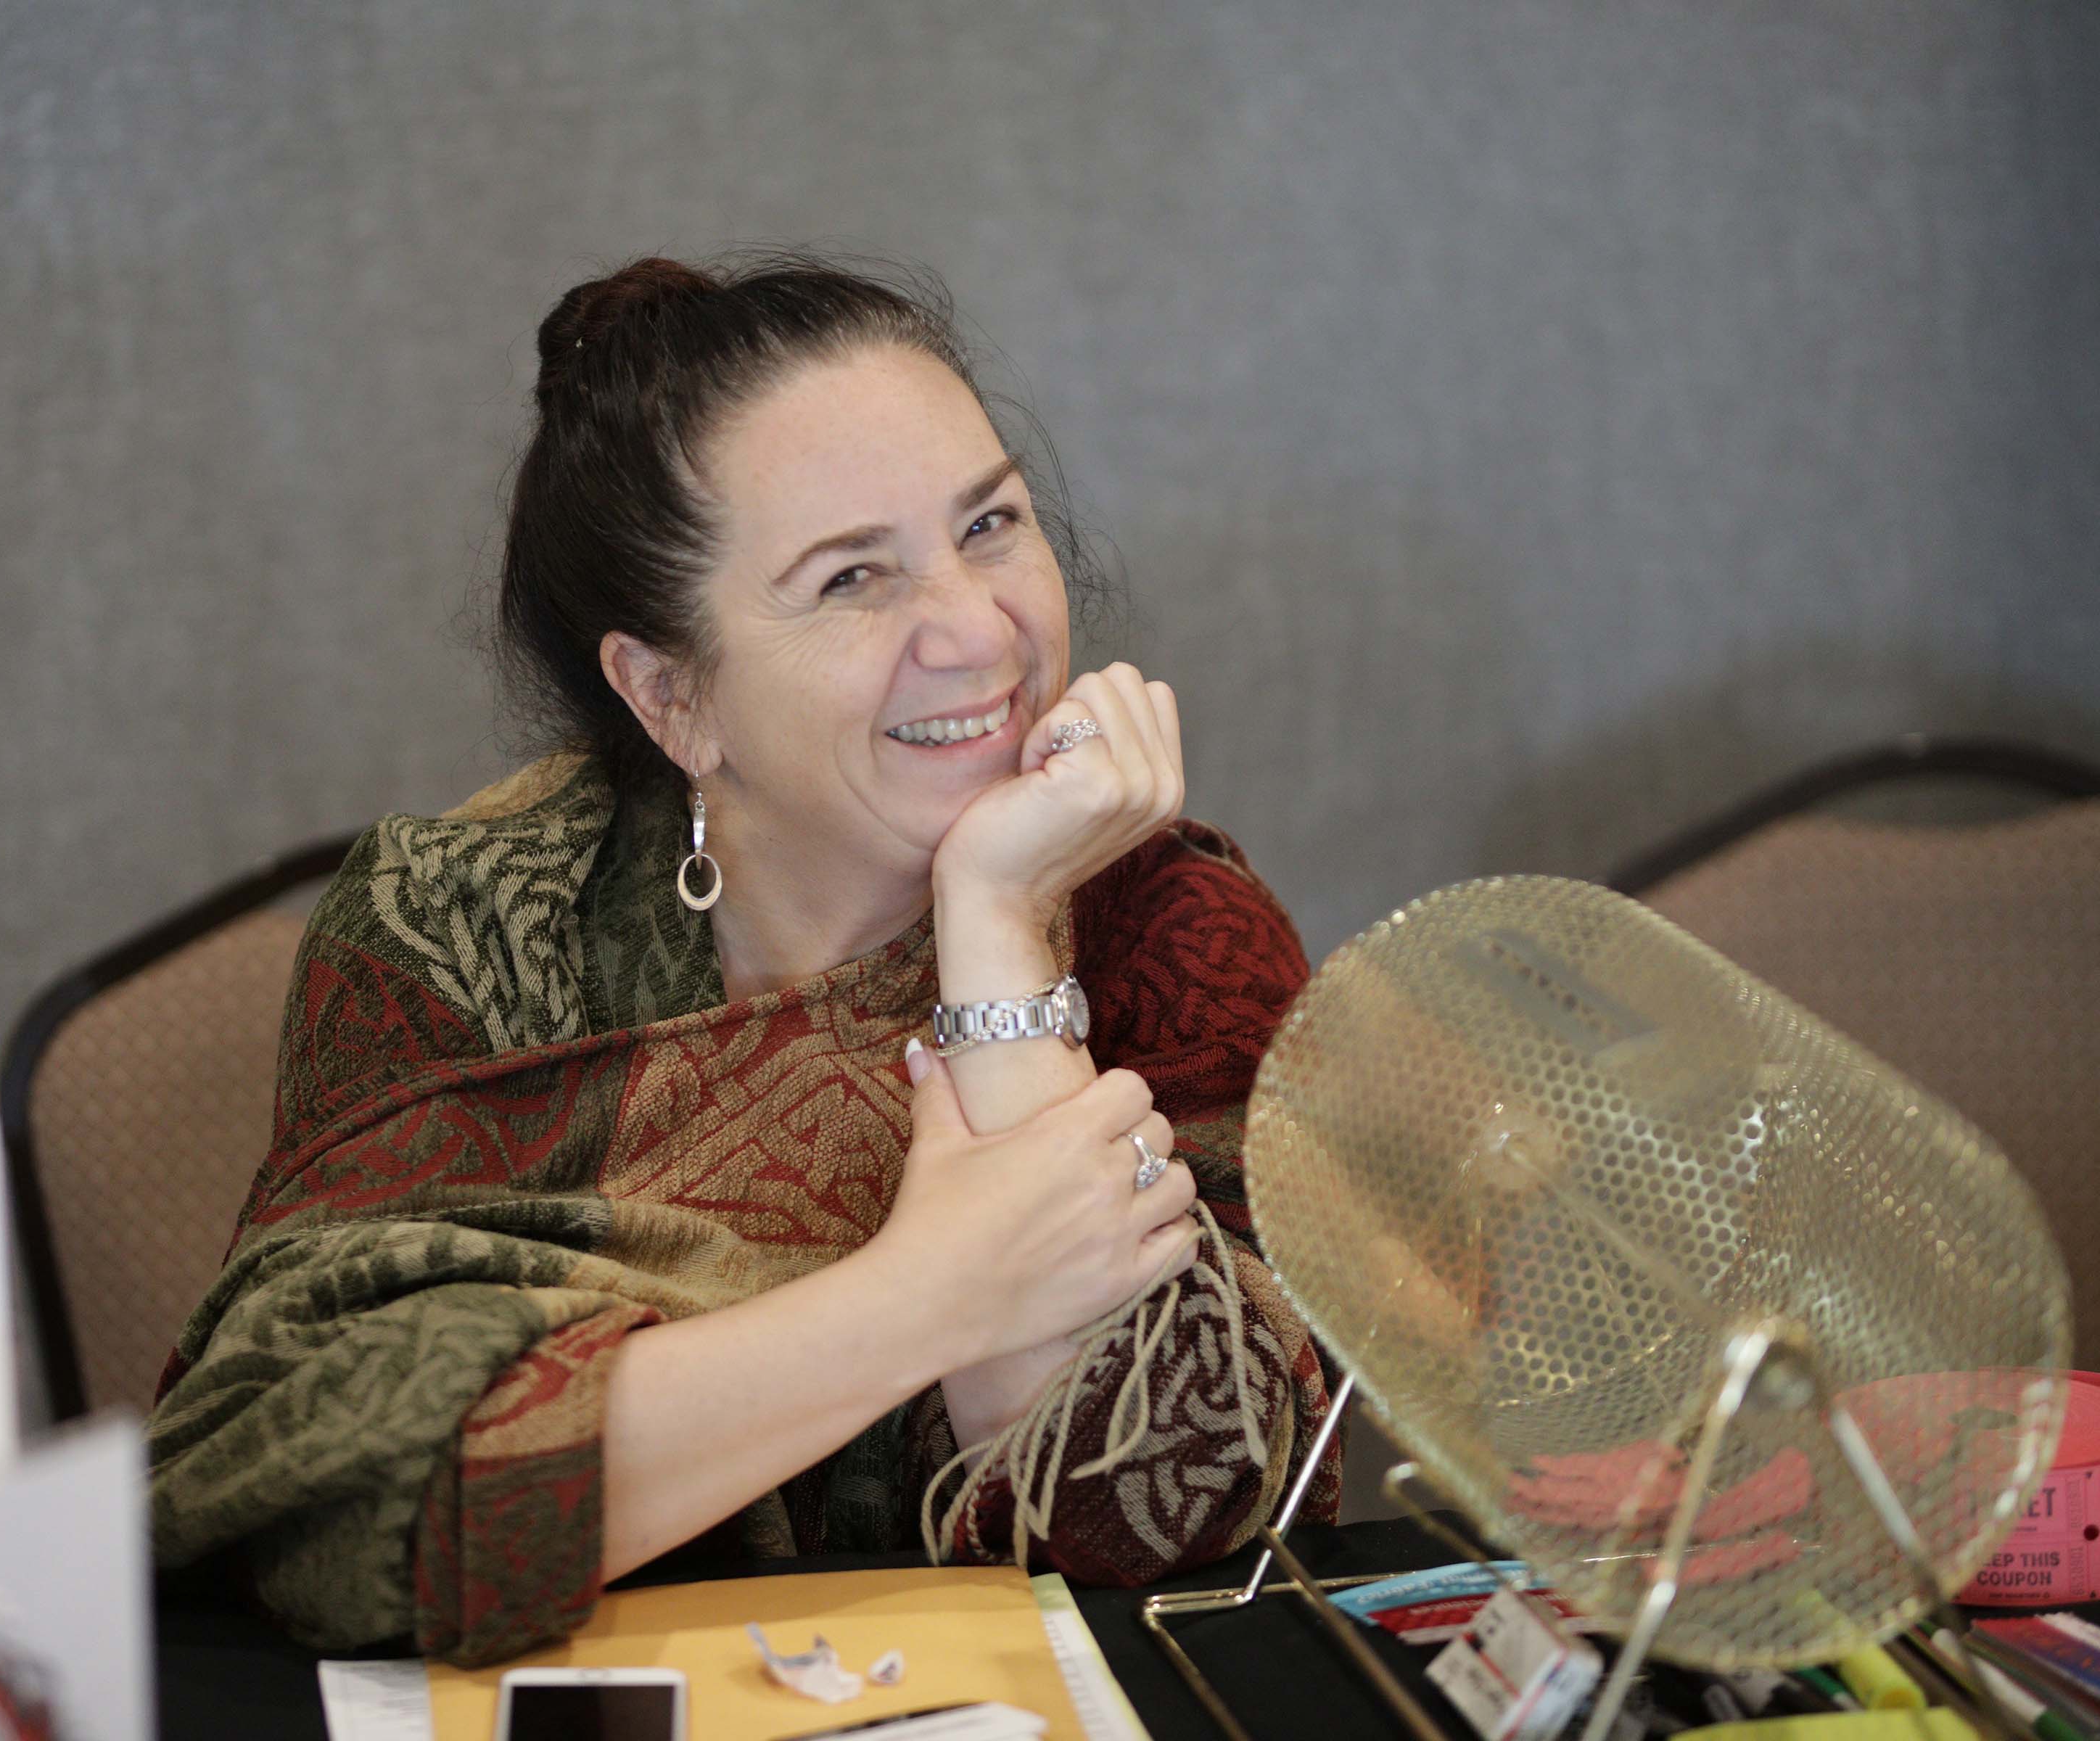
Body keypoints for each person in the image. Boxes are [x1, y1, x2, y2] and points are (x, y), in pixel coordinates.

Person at [145, 252, 1341, 1665]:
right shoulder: (465, 929)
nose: (978, 631)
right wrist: (931, 1295)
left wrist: (1002, 928)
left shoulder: (1166, 929)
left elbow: (1156, 1514)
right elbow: (343, 1506)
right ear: (674, 695)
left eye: (992, 524)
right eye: (852, 578)